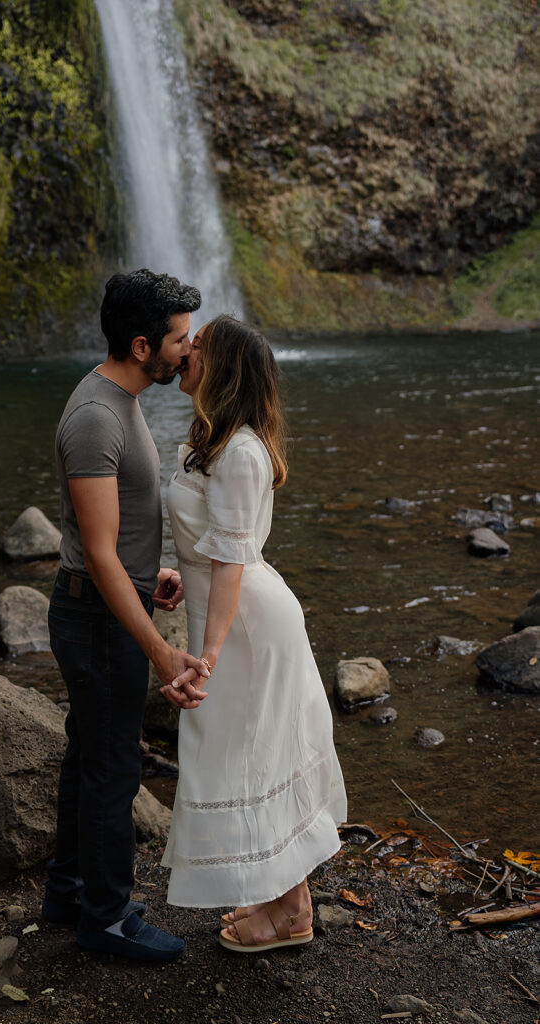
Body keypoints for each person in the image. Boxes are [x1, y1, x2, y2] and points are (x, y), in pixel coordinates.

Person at [160, 315, 347, 952]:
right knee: (246, 756)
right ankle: (288, 905)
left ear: (224, 367)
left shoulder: (240, 451)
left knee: (255, 756)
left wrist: (207, 652)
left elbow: (235, 560)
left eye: (199, 346)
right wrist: (182, 573)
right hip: (225, 609)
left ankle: (288, 908)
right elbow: (215, 545)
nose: (186, 351)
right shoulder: (210, 441)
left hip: (245, 626)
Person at [42, 269, 210, 963]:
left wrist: (156, 573)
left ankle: (69, 891)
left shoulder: (119, 398)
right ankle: (105, 920)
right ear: (142, 345)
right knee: (113, 771)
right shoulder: (95, 417)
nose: (188, 350)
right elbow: (101, 557)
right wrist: (164, 653)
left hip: (105, 608)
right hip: (99, 620)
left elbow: (110, 544)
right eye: (178, 339)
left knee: (89, 758)